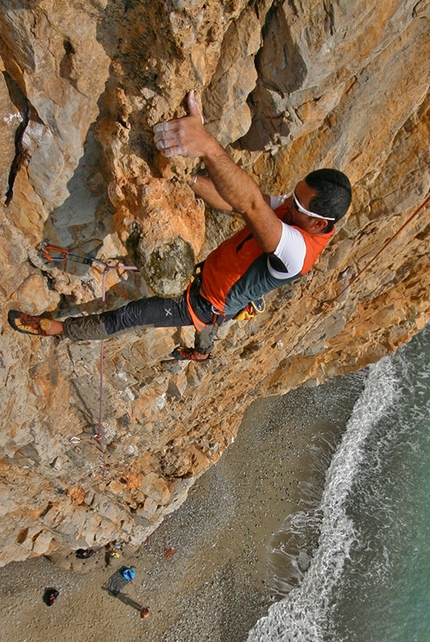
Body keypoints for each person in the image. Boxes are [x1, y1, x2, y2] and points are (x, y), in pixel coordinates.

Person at [8, 91, 352, 361]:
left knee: (126, 317)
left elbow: (250, 204)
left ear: (318, 222)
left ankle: (58, 330)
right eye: (292, 195)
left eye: (297, 204)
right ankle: (203, 348)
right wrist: (187, 179)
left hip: (205, 305)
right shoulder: (295, 211)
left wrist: (207, 146)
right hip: (206, 278)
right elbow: (235, 201)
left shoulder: (298, 253)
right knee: (197, 321)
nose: (288, 203)